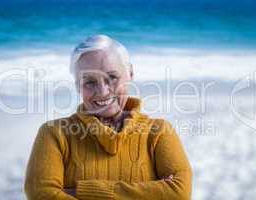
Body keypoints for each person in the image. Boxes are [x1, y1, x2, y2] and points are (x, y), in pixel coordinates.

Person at [24, 34, 192, 200]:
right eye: (89, 82)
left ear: (130, 74)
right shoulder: (54, 133)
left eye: (112, 77)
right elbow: (41, 195)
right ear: (77, 86)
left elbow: (179, 193)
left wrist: (79, 192)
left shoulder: (159, 132)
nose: (103, 92)